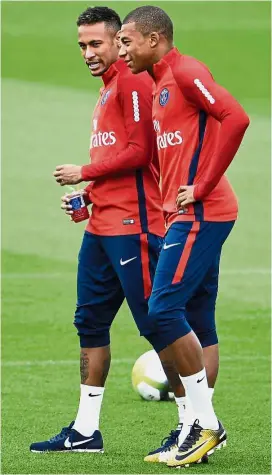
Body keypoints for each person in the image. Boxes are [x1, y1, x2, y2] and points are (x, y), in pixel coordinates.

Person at [30, 6, 186, 455]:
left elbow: (141, 153)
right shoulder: (107, 91)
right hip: (102, 228)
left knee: (157, 325)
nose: (88, 52)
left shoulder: (133, 82)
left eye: (96, 43)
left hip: (133, 228)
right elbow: (119, 161)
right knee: (90, 322)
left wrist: (84, 171)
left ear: (119, 41)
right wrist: (91, 196)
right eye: (82, 45)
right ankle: (85, 431)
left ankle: (191, 423)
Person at [119, 5, 250, 468]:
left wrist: (203, 186)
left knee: (163, 308)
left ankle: (207, 423)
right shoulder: (159, 85)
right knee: (198, 315)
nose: (121, 50)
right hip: (187, 213)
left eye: (126, 41)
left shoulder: (186, 71)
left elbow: (235, 118)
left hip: (202, 211)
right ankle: (195, 429)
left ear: (154, 39)